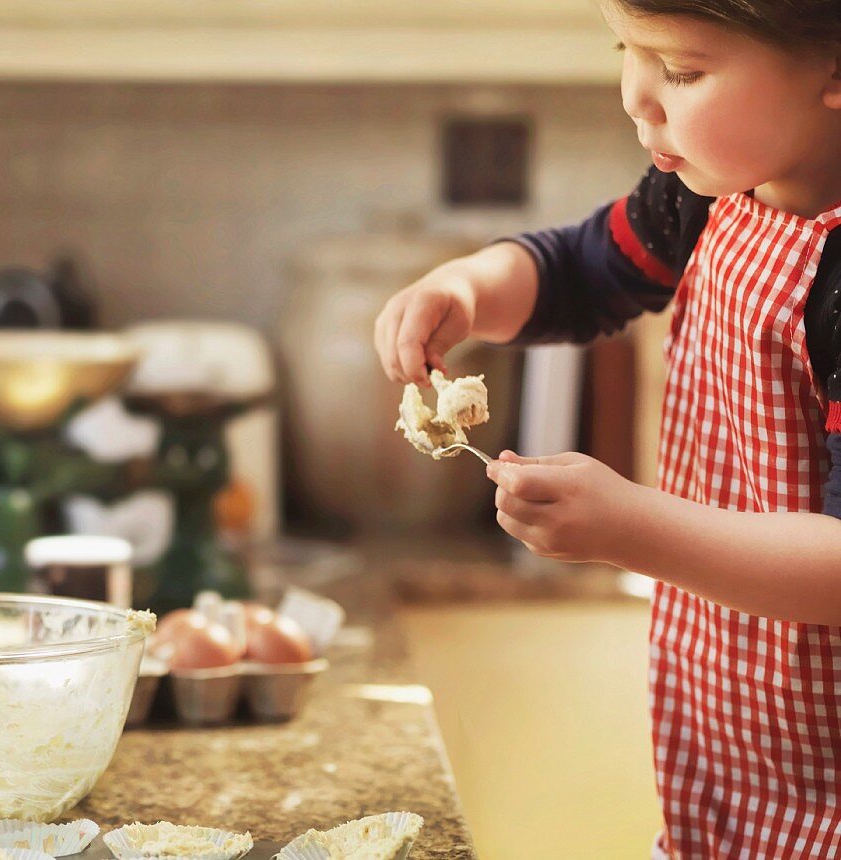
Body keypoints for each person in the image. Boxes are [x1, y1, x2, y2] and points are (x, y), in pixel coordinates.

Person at [373, 1, 841, 856]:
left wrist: (632, 528)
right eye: (627, 50)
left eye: (683, 71)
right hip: (730, 733)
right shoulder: (707, 192)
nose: (637, 97)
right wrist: (471, 288)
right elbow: (582, 271)